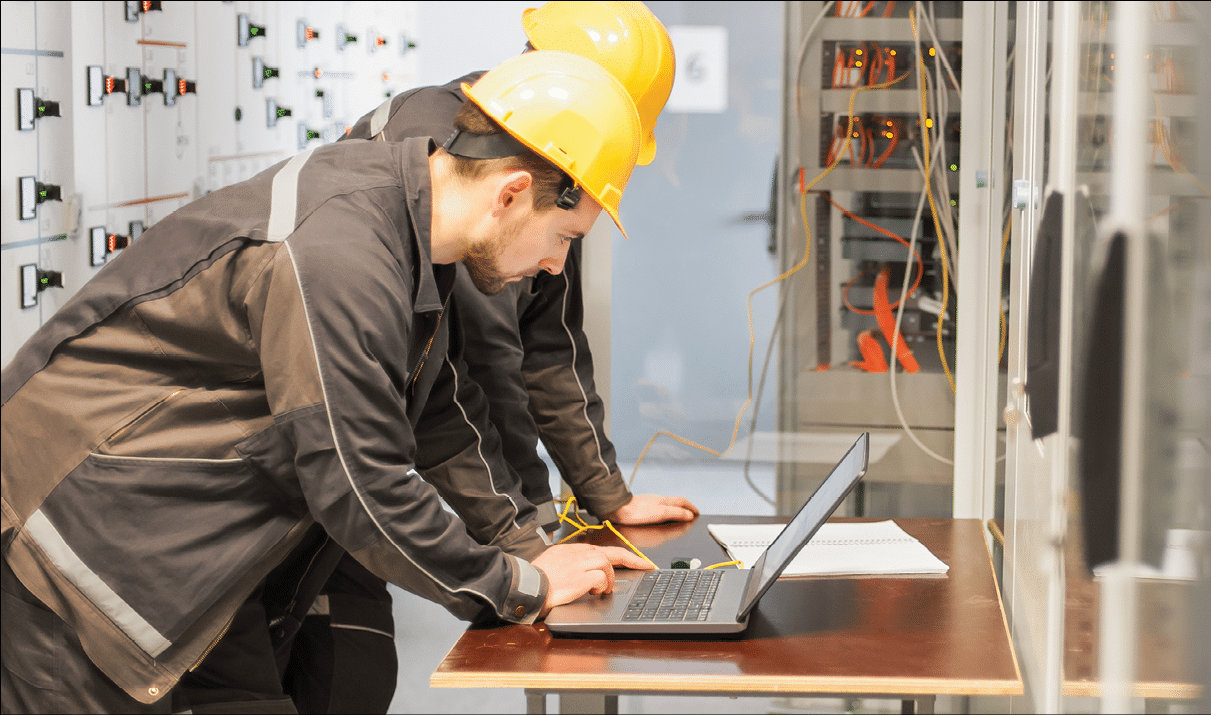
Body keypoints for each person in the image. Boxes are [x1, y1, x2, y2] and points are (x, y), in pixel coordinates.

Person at [0, 50, 653, 714]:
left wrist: (527, 548)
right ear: (510, 192)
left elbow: (438, 418)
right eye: (563, 236)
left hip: (189, 545)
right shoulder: (343, 251)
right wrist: (521, 585)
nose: (553, 265)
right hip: (75, 547)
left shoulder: (409, 228)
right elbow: (361, 485)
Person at [269, 5, 700, 711]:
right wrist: (530, 539)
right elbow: (481, 367)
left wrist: (605, 494)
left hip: (363, 463)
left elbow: (551, 344)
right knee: (335, 676)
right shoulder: (465, 147)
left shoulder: (559, 165)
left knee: (350, 673)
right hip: (323, 457)